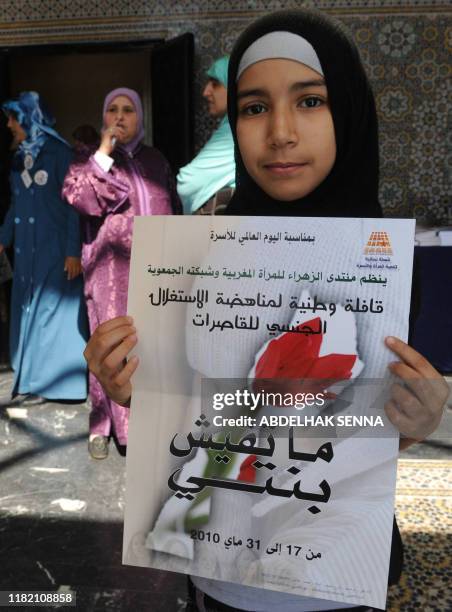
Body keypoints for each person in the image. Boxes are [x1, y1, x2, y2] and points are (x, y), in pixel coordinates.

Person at [82, 9, 449, 612]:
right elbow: (190, 403)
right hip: (218, 569)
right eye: (253, 107)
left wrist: (416, 421)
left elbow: (373, 429)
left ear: (350, 111)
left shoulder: (383, 265)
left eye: (310, 101)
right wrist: (132, 389)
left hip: (328, 570)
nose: (280, 131)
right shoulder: (197, 253)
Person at [62, 87, 181, 460]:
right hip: (110, 273)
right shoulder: (88, 162)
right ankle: (102, 427)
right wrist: (103, 154)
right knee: (110, 349)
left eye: (128, 109)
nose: (120, 116)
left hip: (154, 272)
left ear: (140, 116)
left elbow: (173, 210)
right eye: (112, 109)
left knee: (149, 349)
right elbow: (79, 198)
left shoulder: (156, 160)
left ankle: (146, 424)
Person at [0, 91, 87, 401]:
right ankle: (31, 381)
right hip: (26, 250)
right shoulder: (18, 157)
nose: (9, 124)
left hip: (54, 248)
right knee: (29, 313)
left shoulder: (60, 153)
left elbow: (72, 206)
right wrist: (3, 238)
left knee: (53, 313)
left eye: (13, 117)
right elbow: (15, 204)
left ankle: (58, 385)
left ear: (28, 117)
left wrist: (73, 251)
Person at [177, 56, 235, 215]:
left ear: (235, 87)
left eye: (215, 84)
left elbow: (188, 181)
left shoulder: (236, 129)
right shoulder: (230, 125)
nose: (205, 92)